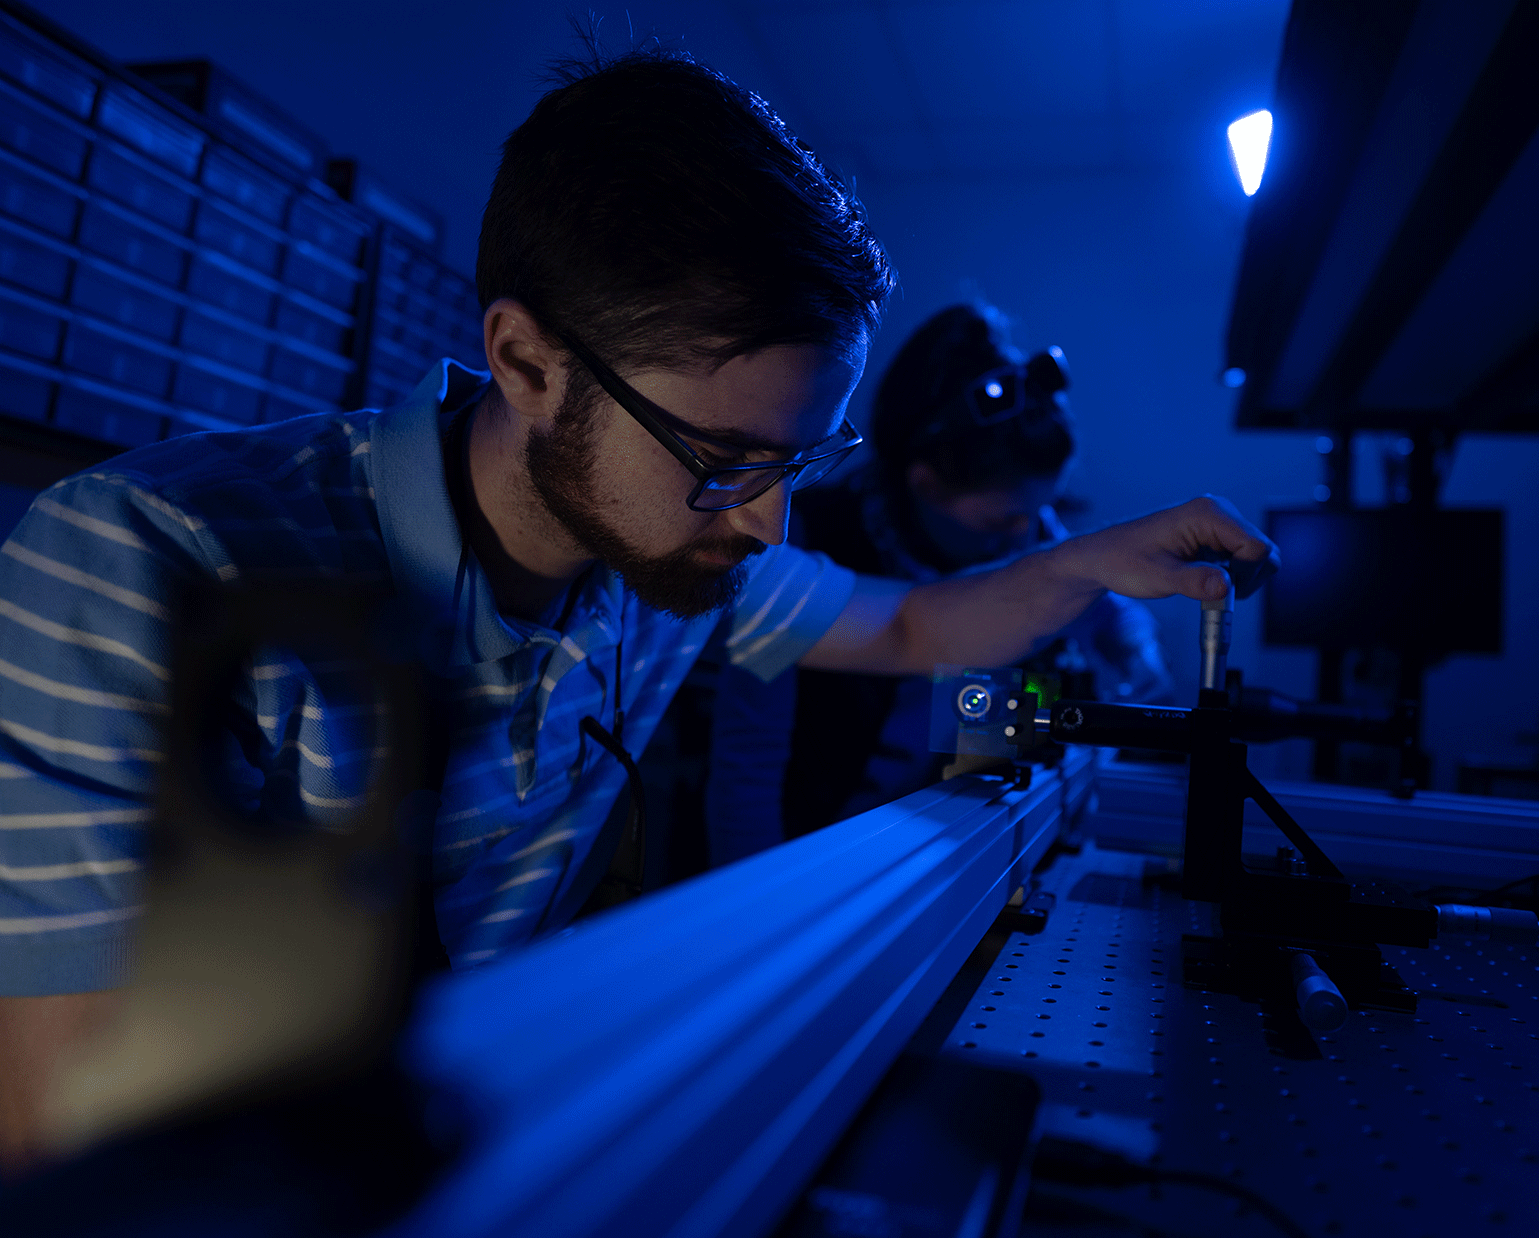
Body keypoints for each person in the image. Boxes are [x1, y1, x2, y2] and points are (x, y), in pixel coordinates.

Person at [0, 49, 1276, 1164]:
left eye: (800, 463)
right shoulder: (142, 562)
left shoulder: (673, 558)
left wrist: (1084, 562)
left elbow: (909, 629)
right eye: (726, 459)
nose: (767, 525)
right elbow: (66, 1136)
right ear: (526, 362)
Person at [706, 304, 1171, 862]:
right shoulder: (804, 548)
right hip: (825, 855)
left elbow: (1106, 604)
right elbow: (745, 774)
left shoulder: (1025, 531)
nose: (1032, 538)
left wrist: (1137, 653)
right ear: (923, 482)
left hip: (968, 842)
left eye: (1042, 513)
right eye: (1002, 520)